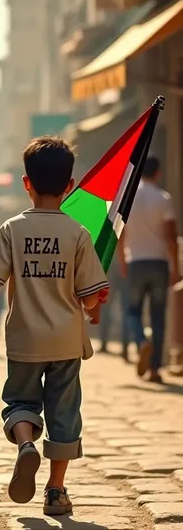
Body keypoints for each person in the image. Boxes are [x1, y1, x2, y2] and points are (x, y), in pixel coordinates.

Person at [0, 137, 108, 516]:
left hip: (24, 340)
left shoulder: (12, 229)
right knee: (64, 414)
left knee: (19, 402)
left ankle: (25, 444)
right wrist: (96, 307)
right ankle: (55, 490)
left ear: (26, 183)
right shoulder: (79, 233)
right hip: (66, 342)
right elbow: (89, 298)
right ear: (69, 186)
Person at [118, 155, 179, 384]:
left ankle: (141, 340)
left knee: (132, 311)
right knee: (158, 315)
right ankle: (154, 370)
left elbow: (120, 233)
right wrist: (175, 266)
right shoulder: (163, 198)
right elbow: (171, 236)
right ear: (158, 173)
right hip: (159, 263)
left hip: (135, 262)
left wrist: (122, 261)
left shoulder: (129, 198)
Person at [98, 256, 130, 361]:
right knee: (125, 309)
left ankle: (104, 343)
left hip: (111, 265)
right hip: (125, 264)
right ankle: (125, 347)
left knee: (106, 307)